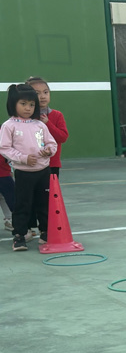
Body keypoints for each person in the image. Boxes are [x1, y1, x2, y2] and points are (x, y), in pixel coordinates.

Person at [0, 84, 57, 252]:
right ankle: (20, 236)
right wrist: (24, 159)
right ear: (13, 103)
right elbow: (4, 148)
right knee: (22, 205)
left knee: (44, 204)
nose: (28, 108)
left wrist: (49, 151)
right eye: (23, 104)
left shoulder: (39, 125)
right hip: (24, 173)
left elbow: (51, 143)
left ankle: (46, 232)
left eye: (31, 104)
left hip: (43, 171)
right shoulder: (9, 125)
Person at [26, 77, 68, 240]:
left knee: (48, 199)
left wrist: (47, 123)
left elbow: (62, 137)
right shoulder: (25, 118)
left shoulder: (57, 115)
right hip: (30, 165)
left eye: (45, 92)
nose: (42, 96)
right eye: (37, 93)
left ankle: (46, 229)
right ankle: (28, 227)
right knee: (29, 197)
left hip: (51, 165)